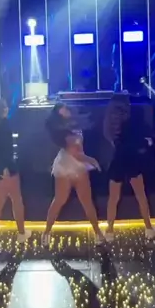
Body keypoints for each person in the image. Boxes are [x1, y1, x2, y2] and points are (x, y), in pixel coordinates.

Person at [42, 103, 105, 245]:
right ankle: (47, 233)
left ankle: (47, 233)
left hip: (70, 164)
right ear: (59, 114)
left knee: (72, 201)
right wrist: (92, 161)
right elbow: (76, 154)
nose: (66, 109)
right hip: (71, 165)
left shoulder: (70, 126)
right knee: (64, 200)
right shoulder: (64, 131)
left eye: (65, 108)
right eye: (63, 109)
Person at [103, 95, 155, 241]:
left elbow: (114, 141)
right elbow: (138, 141)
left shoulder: (109, 121)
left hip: (118, 160)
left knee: (113, 198)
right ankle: (148, 228)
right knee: (141, 196)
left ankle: (109, 231)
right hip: (132, 161)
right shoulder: (131, 120)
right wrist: (147, 143)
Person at [0, 99, 30, 245]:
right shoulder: (5, 126)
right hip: (7, 169)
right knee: (16, 200)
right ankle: (21, 233)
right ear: (4, 110)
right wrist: (5, 167)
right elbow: (6, 150)